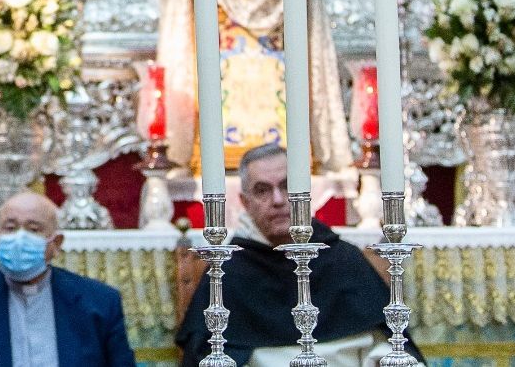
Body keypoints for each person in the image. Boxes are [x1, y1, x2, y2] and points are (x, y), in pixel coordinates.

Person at [176, 145, 423, 367]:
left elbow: (388, 345)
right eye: (262, 190)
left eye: (287, 186)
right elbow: (204, 355)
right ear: (245, 202)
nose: (278, 200)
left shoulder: (342, 260)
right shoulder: (227, 272)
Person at [0, 191, 136, 367]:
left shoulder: (100, 302)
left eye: (34, 229)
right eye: (10, 228)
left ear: (56, 243)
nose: (20, 238)